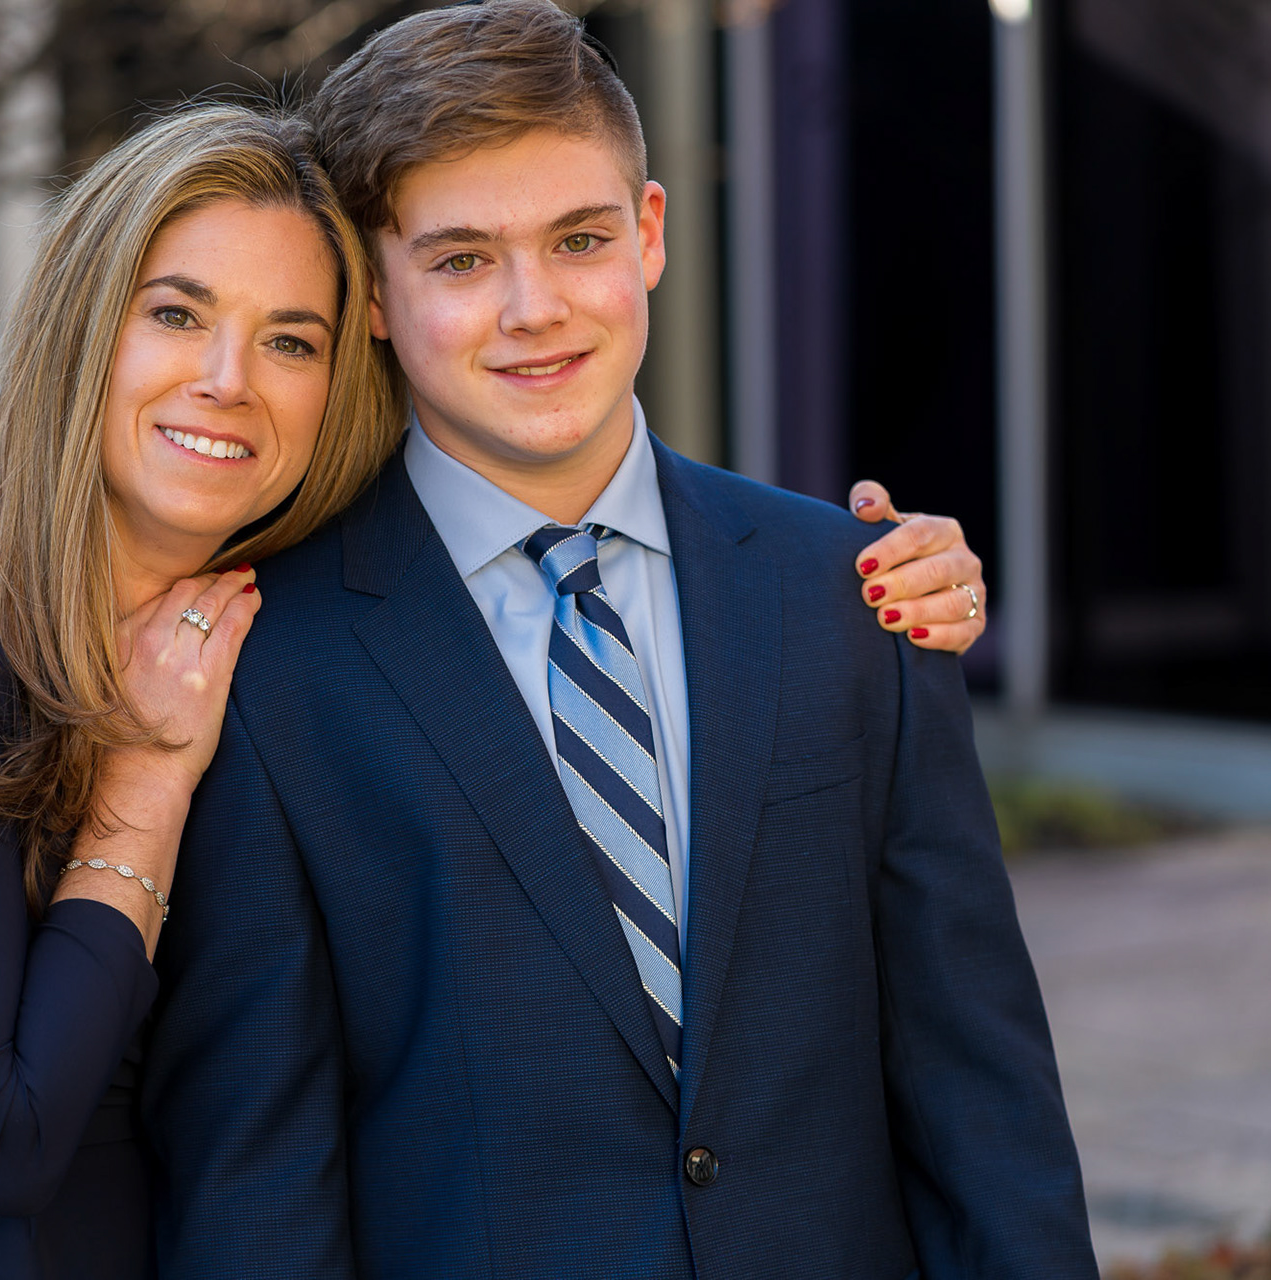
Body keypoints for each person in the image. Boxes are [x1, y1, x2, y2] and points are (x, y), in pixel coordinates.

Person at [0, 102, 991, 1280]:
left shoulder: (244, 625)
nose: (227, 380)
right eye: (177, 313)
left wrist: (830, 570)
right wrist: (148, 784)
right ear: (79, 325)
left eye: (291, 338)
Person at [140, 5, 1096, 1279]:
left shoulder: (852, 595)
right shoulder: (276, 664)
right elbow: (260, 1173)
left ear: (647, 233)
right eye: (464, 260)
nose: (535, 308)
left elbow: (983, 1091)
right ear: (373, 293)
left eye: (578, 240)